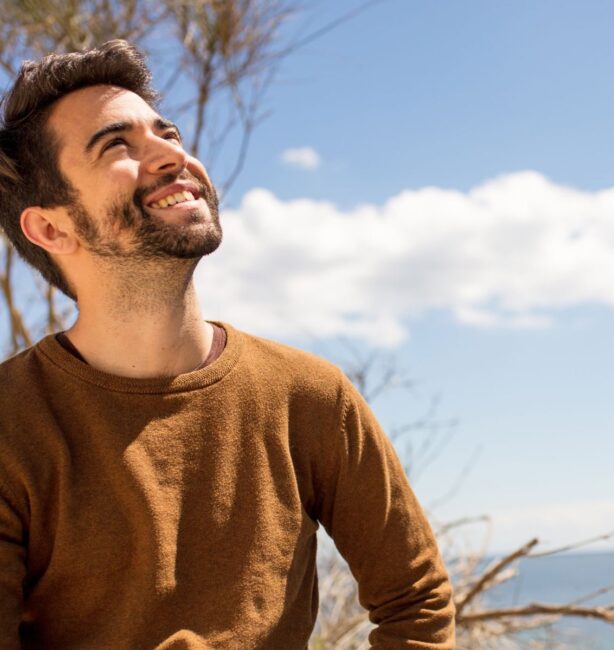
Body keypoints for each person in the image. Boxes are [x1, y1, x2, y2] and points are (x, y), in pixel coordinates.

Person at [0, 40, 455, 649]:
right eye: (117, 145)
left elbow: (416, 602)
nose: (172, 154)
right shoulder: (12, 423)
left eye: (168, 134)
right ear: (50, 227)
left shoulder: (310, 397)